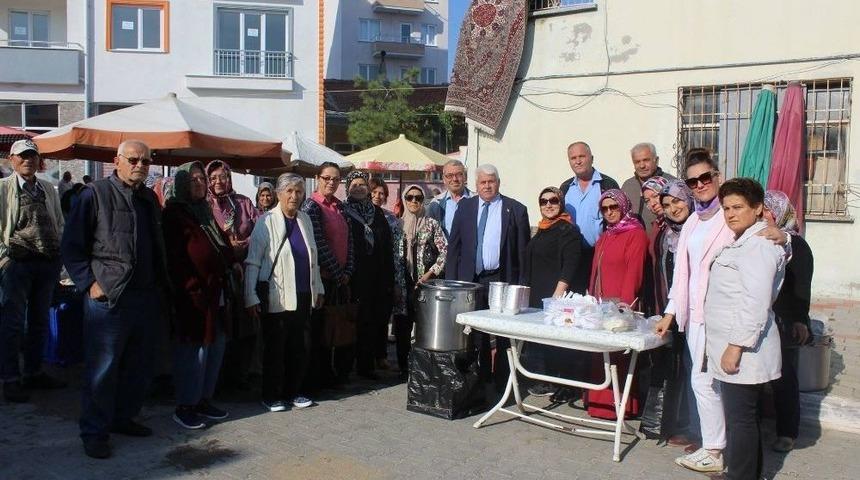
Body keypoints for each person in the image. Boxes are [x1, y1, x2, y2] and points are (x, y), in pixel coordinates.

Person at [62, 140, 169, 459]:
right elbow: (71, 246)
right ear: (117, 161)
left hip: (145, 296)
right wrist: (90, 284)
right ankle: (94, 431)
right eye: (133, 160)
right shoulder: (94, 194)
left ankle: (123, 418)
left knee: (139, 366)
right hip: (110, 298)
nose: (140, 166)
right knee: (103, 369)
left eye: (146, 161)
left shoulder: (148, 197)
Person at [653, 148, 732, 473]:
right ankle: (714, 446)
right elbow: (683, 276)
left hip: (724, 315)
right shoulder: (692, 224)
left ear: (717, 177)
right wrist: (670, 314)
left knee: (716, 383)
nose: (700, 185)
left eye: (705, 178)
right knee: (703, 382)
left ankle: (720, 449)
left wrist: (780, 235)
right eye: (693, 180)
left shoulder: (729, 217)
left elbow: (768, 234)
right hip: (695, 316)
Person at [705, 178, 786, 480]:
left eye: (738, 207)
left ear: (758, 209)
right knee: (744, 418)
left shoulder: (758, 245)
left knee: (740, 419)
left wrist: (735, 346)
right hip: (738, 346)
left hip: (745, 349)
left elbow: (756, 301)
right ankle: (749, 473)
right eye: (726, 208)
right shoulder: (746, 241)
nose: (730, 214)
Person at [162, 162, 237, 429]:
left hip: (215, 292)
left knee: (215, 347)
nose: (199, 184)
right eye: (192, 179)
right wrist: (192, 287)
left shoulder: (204, 212)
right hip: (192, 297)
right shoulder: (174, 214)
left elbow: (221, 247)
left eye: (201, 179)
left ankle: (204, 399)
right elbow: (174, 258)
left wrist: (231, 259)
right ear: (181, 183)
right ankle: (186, 405)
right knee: (193, 352)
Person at [446, 164, 530, 392]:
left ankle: (503, 379)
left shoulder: (516, 209)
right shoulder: (465, 207)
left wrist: (522, 286)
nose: (487, 185)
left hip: (502, 279)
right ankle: (480, 377)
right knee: (476, 332)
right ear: (476, 185)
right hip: (471, 280)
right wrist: (452, 282)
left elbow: (523, 253)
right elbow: (454, 247)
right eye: (482, 182)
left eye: (491, 181)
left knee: (503, 332)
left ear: (498, 183)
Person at [246, 173, 325, 412]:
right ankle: (271, 395)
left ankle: (295, 392)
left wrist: (318, 288)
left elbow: (314, 258)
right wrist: (250, 295)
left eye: (299, 191)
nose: (294, 196)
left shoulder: (305, 220)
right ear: (279, 194)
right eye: (289, 191)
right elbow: (253, 262)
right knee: (275, 347)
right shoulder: (266, 221)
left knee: (299, 346)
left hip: (303, 293)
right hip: (276, 295)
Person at [0, 139, 66, 403]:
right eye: (23, 156)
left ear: (40, 162)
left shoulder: (49, 188)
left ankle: (34, 372)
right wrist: (3, 259)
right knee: (12, 323)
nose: (28, 160)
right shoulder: (3, 188)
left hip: (46, 263)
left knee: (39, 322)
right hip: (16, 264)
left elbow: (58, 222)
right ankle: (10, 379)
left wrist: (58, 253)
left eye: (32, 156)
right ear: (12, 160)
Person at [640, 180, 698, 444]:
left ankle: (696, 430)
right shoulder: (666, 233)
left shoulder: (700, 229)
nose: (672, 208)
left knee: (693, 370)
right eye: (667, 204)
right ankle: (667, 425)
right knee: (672, 367)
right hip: (669, 310)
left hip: (696, 312)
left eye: (676, 201)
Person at [585, 189, 649, 420]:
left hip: (619, 307)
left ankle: (618, 407)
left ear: (623, 206)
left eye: (614, 207)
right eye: (605, 208)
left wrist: (624, 307)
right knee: (600, 356)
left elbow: (635, 272)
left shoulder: (636, 234)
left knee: (617, 358)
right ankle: (597, 403)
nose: (610, 212)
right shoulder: (607, 234)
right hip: (601, 305)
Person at [522, 187, 582, 400]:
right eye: (543, 201)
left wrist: (557, 296)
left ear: (561, 203)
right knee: (543, 341)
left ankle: (566, 385)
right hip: (538, 294)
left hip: (556, 297)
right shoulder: (543, 228)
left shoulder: (567, 230)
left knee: (560, 343)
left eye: (553, 200)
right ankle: (546, 380)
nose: (548, 205)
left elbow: (570, 264)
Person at [765, 190, 813, 453]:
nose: (761, 215)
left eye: (766, 211)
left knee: (784, 377)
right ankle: (767, 420)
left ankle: (788, 431)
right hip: (767, 314)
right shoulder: (764, 239)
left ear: (780, 212)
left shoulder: (796, 245)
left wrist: (799, 319)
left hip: (787, 318)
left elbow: (802, 287)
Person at [205, 159, 259, 391]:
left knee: (245, 326)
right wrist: (228, 250)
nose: (219, 181)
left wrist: (243, 244)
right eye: (214, 177)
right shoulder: (204, 204)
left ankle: (240, 375)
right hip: (219, 274)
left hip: (245, 272)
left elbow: (260, 230)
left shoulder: (243, 203)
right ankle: (217, 380)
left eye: (223, 176)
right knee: (221, 327)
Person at [302, 162, 354, 388]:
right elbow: (318, 244)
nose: (331, 182)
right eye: (326, 178)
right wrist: (337, 272)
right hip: (322, 279)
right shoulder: (311, 207)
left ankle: (332, 374)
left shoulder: (340, 207)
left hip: (340, 279)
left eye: (335, 178)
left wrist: (348, 271)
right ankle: (317, 379)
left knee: (337, 330)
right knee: (319, 333)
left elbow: (350, 241)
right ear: (317, 178)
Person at [344, 171, 395, 380]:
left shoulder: (377, 213)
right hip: (353, 274)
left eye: (362, 184)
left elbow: (387, 245)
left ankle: (366, 366)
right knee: (351, 320)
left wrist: (389, 277)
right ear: (348, 187)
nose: (358, 188)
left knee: (371, 320)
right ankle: (346, 366)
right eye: (354, 184)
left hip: (376, 275)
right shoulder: (343, 211)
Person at [396, 184, 447, 380]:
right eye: (410, 197)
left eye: (418, 198)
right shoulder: (397, 226)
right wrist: (395, 284)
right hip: (403, 285)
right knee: (402, 328)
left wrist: (431, 273)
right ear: (404, 199)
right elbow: (394, 258)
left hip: (425, 285)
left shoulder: (432, 224)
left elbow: (445, 251)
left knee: (425, 328)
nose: (414, 201)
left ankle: (423, 367)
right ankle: (404, 367)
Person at [560, 142, 619, 294]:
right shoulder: (565, 188)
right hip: (573, 256)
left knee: (599, 299)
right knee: (573, 302)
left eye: (582, 156)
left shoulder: (607, 184)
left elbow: (617, 220)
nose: (577, 161)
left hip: (600, 255)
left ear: (591, 158)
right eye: (573, 158)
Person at [369, 176, 404, 371]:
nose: (377, 196)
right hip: (368, 274)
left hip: (387, 272)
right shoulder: (363, 214)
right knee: (368, 317)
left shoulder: (391, 218)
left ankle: (381, 356)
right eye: (374, 192)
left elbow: (398, 248)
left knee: (383, 317)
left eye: (381, 193)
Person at [621, 143, 676, 233]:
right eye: (637, 162)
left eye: (646, 160)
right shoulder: (628, 186)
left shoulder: (671, 183)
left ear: (656, 160)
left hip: (664, 241)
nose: (642, 166)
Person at [427, 159, 473, 237]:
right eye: (450, 175)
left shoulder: (477, 200)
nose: (455, 179)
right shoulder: (436, 204)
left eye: (459, 174)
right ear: (444, 179)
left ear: (465, 177)